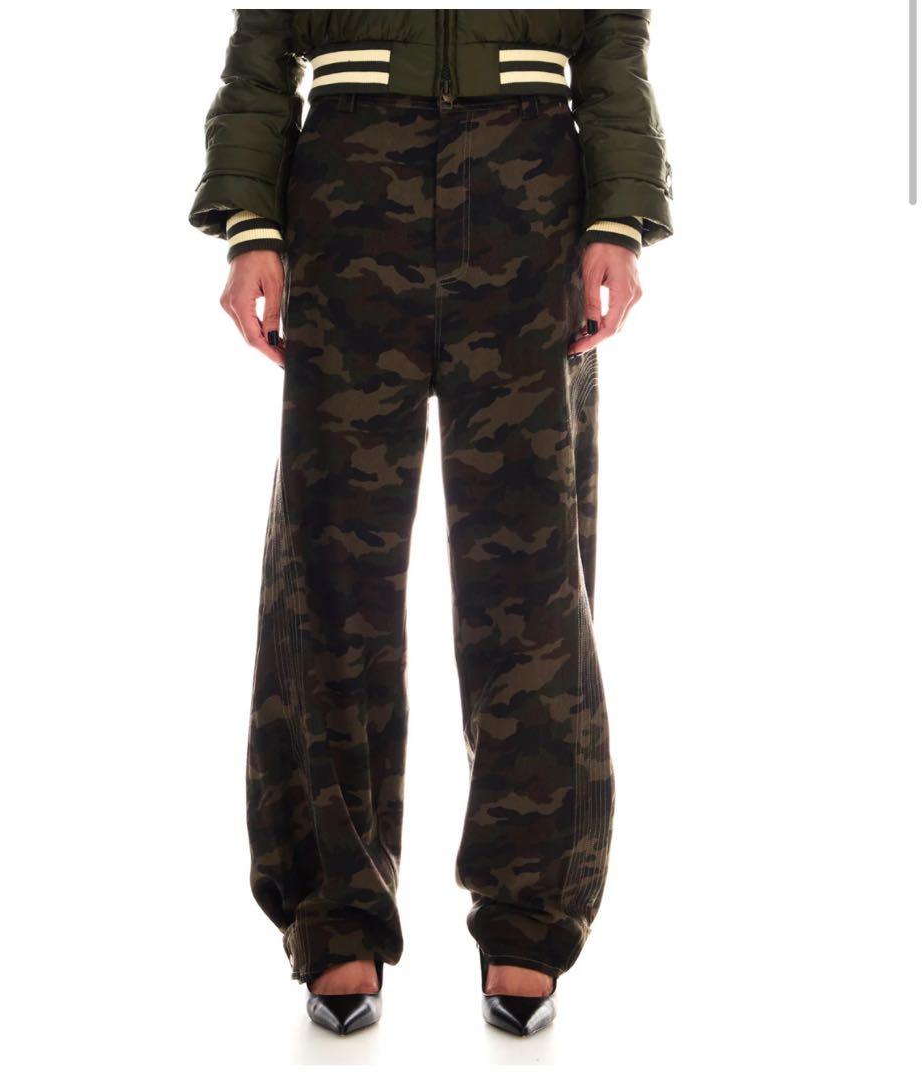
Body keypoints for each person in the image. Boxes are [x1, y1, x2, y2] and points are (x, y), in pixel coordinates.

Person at [189, 9, 672, 1037]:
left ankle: (530, 917)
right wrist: (251, 224)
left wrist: (619, 218)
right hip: (349, 190)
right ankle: (334, 915)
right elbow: (265, 38)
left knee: (532, 579)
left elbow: (611, 37)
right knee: (331, 566)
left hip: (529, 194)